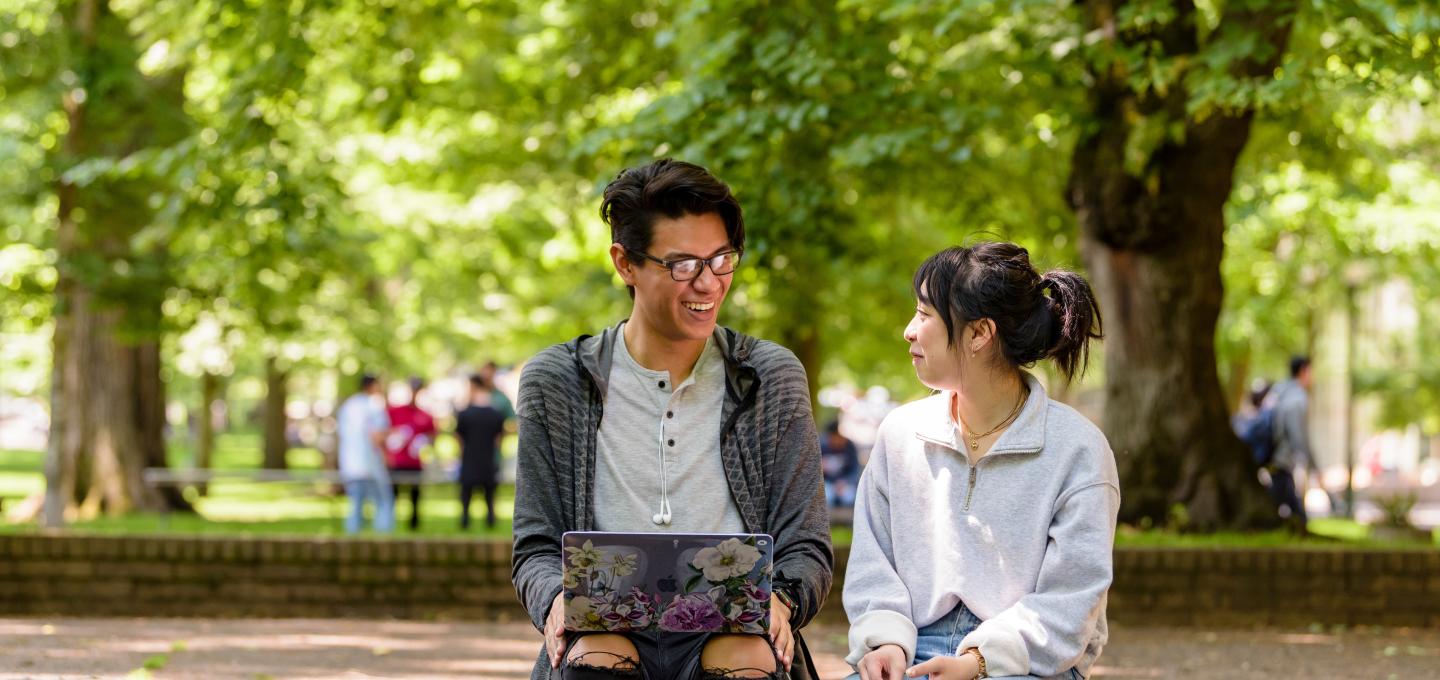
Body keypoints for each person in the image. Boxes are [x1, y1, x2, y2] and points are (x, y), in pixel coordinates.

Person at [511, 159, 832, 680]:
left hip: (733, 633)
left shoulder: (769, 375)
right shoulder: (558, 380)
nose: (708, 284)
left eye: (722, 259)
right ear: (625, 263)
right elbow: (536, 546)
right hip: (604, 631)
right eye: (683, 264)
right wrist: (554, 602)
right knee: (597, 655)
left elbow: (805, 545)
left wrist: (783, 604)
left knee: (746, 659)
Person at [844, 242, 1117, 680]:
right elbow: (873, 565)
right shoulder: (899, 435)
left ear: (978, 333)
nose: (909, 331)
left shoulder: (1077, 449)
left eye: (924, 314)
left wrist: (980, 662)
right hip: (910, 645)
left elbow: (1072, 599)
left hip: (1027, 662)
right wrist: (884, 641)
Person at [337, 374, 394, 534]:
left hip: (350, 463)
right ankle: (383, 536)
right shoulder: (373, 406)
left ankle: (353, 536)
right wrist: (386, 453)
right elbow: (375, 435)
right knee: (383, 501)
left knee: (356, 502)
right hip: (371, 464)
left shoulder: (349, 405)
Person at [1268, 355, 1317, 532]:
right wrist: (1312, 464)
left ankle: (1294, 527)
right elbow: (1298, 437)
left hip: (1274, 457)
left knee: (1281, 497)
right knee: (1287, 501)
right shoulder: (1297, 399)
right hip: (1281, 459)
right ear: (1304, 370)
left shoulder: (1279, 392)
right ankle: (1299, 528)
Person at [455, 372, 507, 530]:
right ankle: (490, 520)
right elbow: (499, 437)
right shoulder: (496, 414)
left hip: (470, 458)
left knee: (466, 493)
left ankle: (465, 520)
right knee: (490, 494)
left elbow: (459, 437)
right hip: (488, 459)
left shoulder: (464, 414)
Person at [386, 376, 437, 531]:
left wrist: (424, 441)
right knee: (393, 494)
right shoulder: (394, 411)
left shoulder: (426, 415)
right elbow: (383, 431)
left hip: (415, 462)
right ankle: (389, 523)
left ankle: (414, 525)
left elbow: (433, 436)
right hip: (397, 461)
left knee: (415, 495)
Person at [820, 420, 861, 508]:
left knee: (849, 497)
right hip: (827, 484)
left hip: (844, 484)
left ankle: (847, 521)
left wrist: (845, 482)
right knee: (827, 497)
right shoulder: (822, 446)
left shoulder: (849, 446)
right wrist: (820, 469)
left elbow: (855, 470)